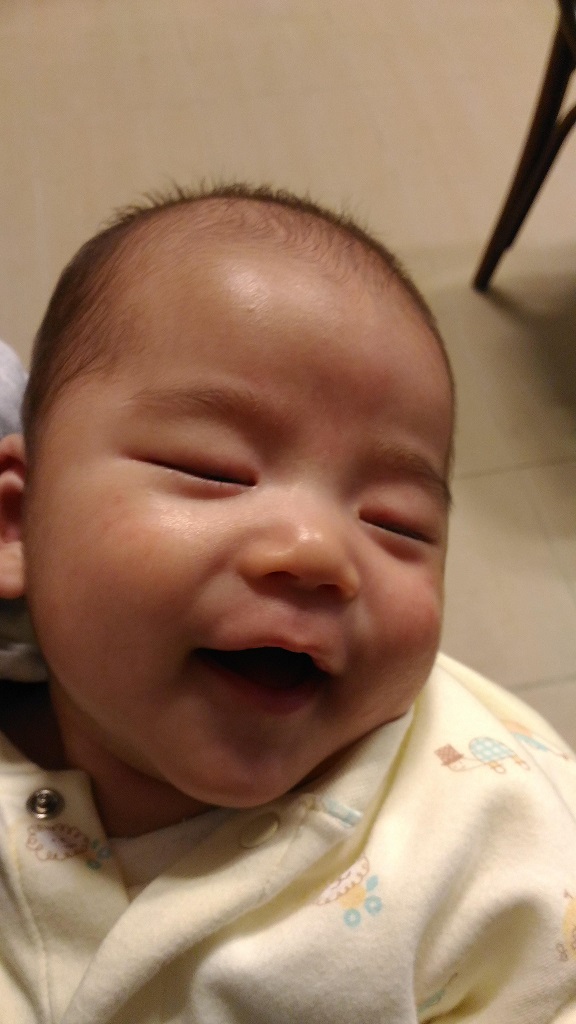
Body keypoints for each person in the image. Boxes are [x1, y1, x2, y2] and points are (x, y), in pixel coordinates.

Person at [0, 184, 574, 1024]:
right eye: (214, 471)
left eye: (396, 523)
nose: (317, 551)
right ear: (17, 525)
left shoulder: (497, 830)